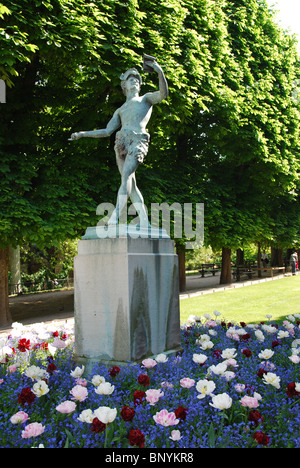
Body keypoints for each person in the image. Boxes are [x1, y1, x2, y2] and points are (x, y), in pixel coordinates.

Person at [69, 58, 168, 226]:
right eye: (132, 79)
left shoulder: (145, 99)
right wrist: (82, 134)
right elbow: (107, 131)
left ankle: (116, 215)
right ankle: (144, 221)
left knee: (126, 177)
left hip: (138, 140)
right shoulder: (120, 110)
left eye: (137, 80)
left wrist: (159, 71)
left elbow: (163, 94)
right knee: (132, 184)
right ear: (125, 86)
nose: (136, 81)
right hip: (121, 142)